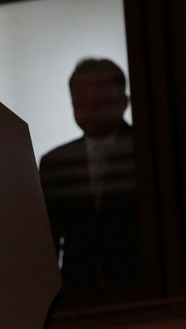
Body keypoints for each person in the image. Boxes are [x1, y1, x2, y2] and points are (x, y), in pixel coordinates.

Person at [39, 58, 139, 305]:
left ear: (124, 101)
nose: (91, 106)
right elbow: (48, 242)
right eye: (81, 100)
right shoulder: (55, 162)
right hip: (77, 296)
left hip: (141, 290)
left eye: (101, 99)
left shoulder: (146, 149)